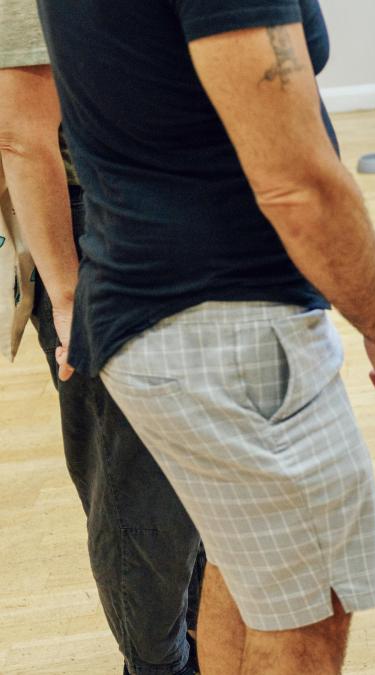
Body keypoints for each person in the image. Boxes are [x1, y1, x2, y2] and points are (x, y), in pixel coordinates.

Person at [36, 0, 375, 672]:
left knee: (252, 571)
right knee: (307, 609)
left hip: (170, 306)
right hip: (227, 324)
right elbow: (297, 183)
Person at [0, 3, 204, 673]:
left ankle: (200, 639)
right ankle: (156, 663)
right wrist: (66, 295)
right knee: (133, 487)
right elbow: (23, 133)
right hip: (97, 233)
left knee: (197, 463)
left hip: (180, 213)